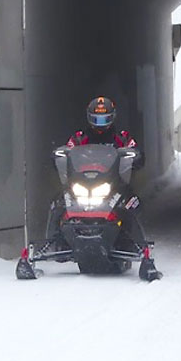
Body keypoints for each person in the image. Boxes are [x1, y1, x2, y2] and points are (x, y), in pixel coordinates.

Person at [47, 96, 159, 274]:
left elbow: (135, 151)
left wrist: (134, 156)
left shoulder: (121, 138)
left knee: (130, 203)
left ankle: (137, 245)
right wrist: (60, 155)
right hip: (82, 183)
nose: (100, 124)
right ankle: (54, 243)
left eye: (104, 119)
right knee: (58, 203)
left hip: (113, 184)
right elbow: (67, 150)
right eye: (97, 119)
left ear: (112, 117)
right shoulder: (79, 138)